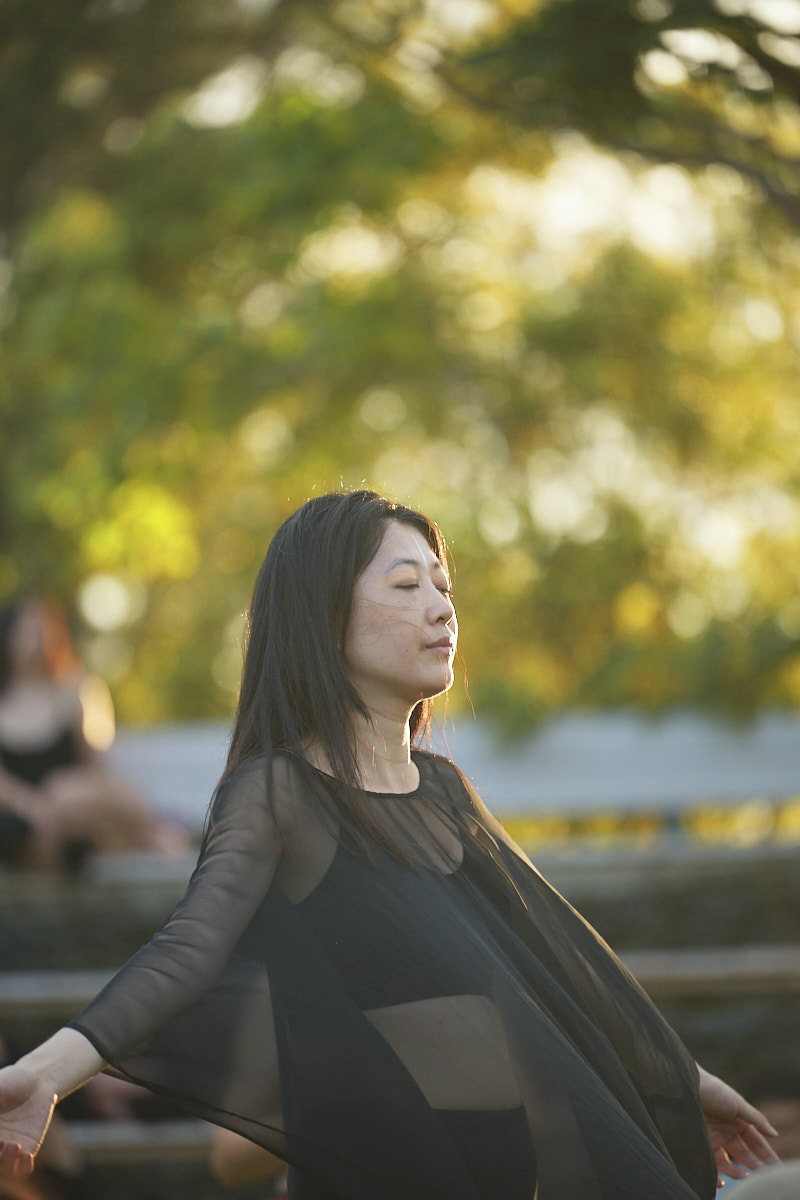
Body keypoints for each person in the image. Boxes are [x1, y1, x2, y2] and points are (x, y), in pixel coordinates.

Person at [0, 492, 782, 1198]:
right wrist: (43, 1075)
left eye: (444, 587)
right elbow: (184, 952)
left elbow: (565, 961)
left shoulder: (444, 792)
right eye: (407, 586)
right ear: (322, 617)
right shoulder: (281, 792)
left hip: (505, 1170)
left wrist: (686, 1082)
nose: (442, 609)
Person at [0, 595, 187, 868]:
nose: (35, 641)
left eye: (41, 631)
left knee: (70, 795)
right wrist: (32, 806)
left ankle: (157, 839)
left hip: (71, 809)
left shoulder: (72, 693)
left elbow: (94, 765)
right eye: (26, 632)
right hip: (20, 821)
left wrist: (60, 799)